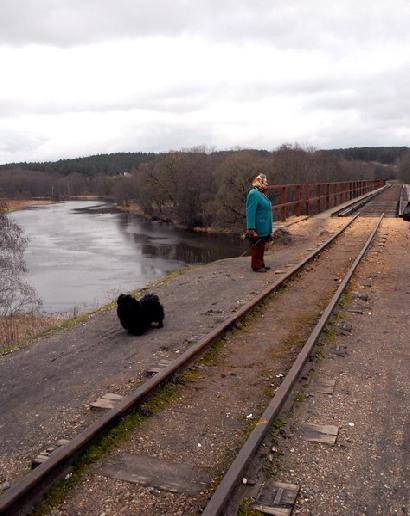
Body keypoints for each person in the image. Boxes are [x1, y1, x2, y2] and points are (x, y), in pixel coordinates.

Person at [245, 173, 273, 272]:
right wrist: (251, 228)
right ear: (259, 182)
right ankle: (256, 266)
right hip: (258, 225)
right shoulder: (253, 193)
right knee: (257, 245)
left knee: (261, 245)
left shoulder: (262, 194)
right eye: (264, 182)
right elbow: (250, 211)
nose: (266, 184)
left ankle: (261, 264)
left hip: (264, 224)